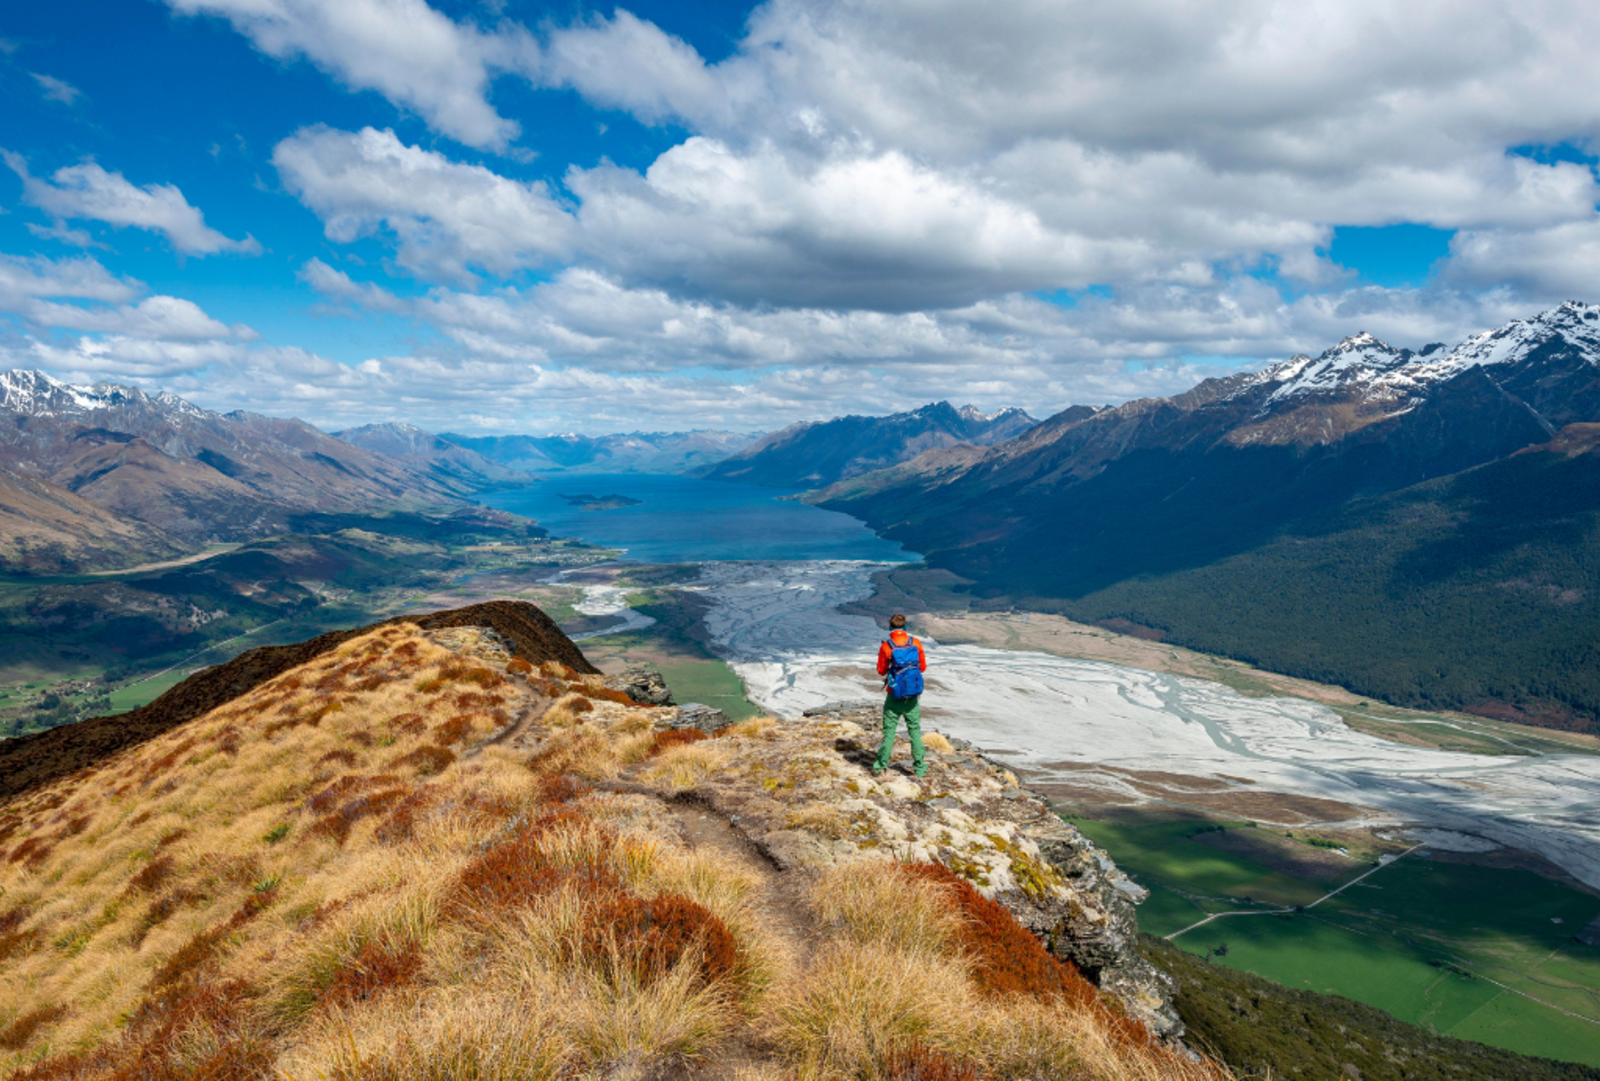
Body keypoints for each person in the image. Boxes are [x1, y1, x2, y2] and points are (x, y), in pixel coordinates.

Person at [873, 613, 927, 777]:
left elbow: (881, 670)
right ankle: (919, 768)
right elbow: (922, 667)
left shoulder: (887, 646)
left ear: (890, 627)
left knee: (889, 732)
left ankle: (880, 767)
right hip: (912, 696)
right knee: (915, 731)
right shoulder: (915, 643)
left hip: (894, 695)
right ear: (905, 627)